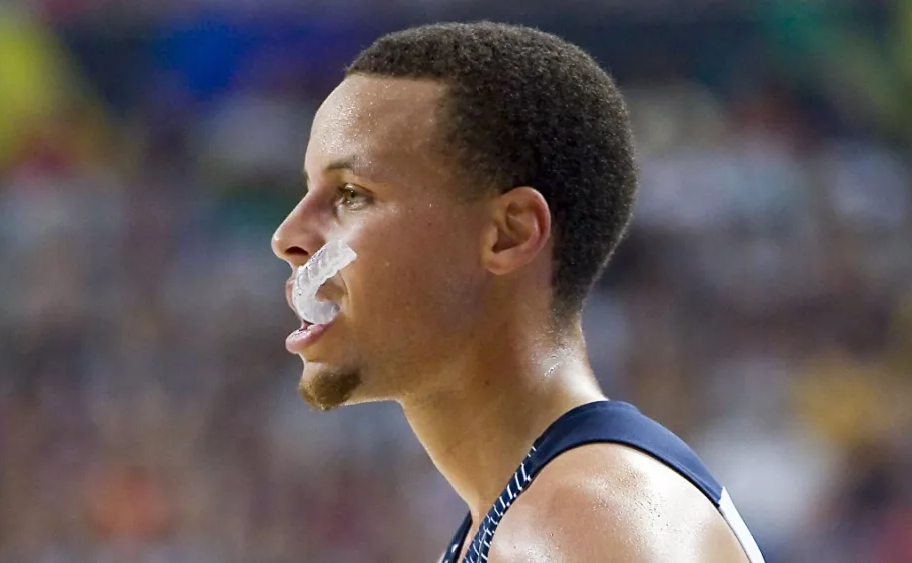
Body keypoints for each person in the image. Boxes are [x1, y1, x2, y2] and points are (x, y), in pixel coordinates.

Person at [271, 21, 764, 562]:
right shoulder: (536, 507)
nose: (288, 237)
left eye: (351, 194)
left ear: (510, 233)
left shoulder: (582, 516)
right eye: (307, 190)